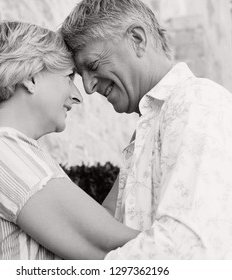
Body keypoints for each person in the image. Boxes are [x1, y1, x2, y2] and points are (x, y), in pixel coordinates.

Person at [0, 21, 139, 260]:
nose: (77, 95)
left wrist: (136, 152)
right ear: (31, 78)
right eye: (68, 77)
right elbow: (107, 247)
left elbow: (95, 228)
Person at [61, 0, 232, 259]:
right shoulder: (149, 127)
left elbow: (186, 246)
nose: (87, 88)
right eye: (79, 74)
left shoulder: (196, 99)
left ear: (137, 39)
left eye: (93, 65)